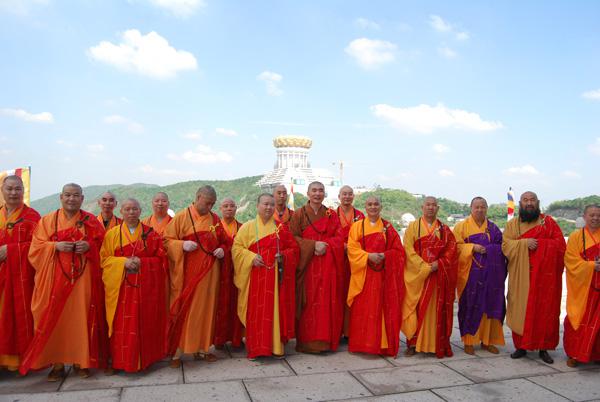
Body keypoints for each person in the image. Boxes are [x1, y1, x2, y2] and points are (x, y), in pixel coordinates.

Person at [20, 183, 108, 381]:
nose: (71, 199)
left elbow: (104, 247)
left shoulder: (91, 221)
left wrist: (89, 246)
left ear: (82, 198)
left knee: (81, 318)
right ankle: (57, 364)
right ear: (61, 197)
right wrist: (55, 246)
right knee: (54, 319)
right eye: (67, 195)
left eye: (76, 195)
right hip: (54, 278)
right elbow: (35, 248)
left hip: (82, 279)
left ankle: (81, 362)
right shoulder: (48, 220)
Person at [164, 185, 229, 367]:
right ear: (198, 197)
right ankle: (177, 353)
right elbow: (166, 241)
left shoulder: (215, 219)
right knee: (187, 310)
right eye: (208, 202)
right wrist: (181, 246)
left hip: (210, 274)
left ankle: (203, 349)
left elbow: (225, 241)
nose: (210, 207)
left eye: (213, 204)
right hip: (188, 275)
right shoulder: (181, 217)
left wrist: (222, 249)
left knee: (208, 310)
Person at [100, 198, 168, 373]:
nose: (131, 212)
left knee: (144, 323)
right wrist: (122, 262)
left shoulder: (151, 234)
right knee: (120, 325)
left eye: (135, 209)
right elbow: (104, 260)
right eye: (127, 209)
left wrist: (143, 262)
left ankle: (145, 360)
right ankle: (119, 361)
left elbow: (162, 260)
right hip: (120, 289)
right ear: (121, 211)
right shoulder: (112, 234)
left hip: (145, 289)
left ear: (140, 211)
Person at [232, 194, 300, 359]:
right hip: (255, 277)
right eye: (265, 204)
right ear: (257, 206)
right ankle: (257, 349)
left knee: (274, 310)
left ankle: (276, 347)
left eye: (271, 204)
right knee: (257, 312)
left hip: (275, 278)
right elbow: (236, 248)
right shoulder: (247, 227)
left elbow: (294, 249)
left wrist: (282, 256)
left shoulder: (281, 228)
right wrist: (250, 258)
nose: (268, 207)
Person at [502, 191, 566, 364]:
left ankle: (543, 348)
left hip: (545, 278)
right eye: (525, 200)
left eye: (532, 200)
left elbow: (560, 246)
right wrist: (524, 243)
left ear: (537, 203)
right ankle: (521, 346)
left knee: (544, 311)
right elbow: (505, 245)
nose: (529, 203)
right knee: (520, 309)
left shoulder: (548, 223)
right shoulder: (513, 225)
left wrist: (542, 246)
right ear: (520, 204)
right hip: (520, 275)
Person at [289, 181, 344, 353]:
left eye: (321, 191)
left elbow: (339, 237)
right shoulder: (298, 214)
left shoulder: (331, 214)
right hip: (308, 265)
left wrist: (325, 245)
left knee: (326, 301)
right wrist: (313, 245)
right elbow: (292, 238)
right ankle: (307, 342)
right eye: (314, 190)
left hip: (327, 265)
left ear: (324, 194)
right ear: (307, 193)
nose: (317, 194)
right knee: (308, 302)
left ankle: (325, 342)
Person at [346, 195, 405, 357]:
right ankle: (362, 345)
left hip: (382, 277)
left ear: (381, 206)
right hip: (364, 275)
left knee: (381, 310)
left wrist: (385, 256)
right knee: (363, 310)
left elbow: (399, 251)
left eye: (376, 204)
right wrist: (367, 256)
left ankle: (382, 345)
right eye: (370, 204)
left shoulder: (388, 227)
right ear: (365, 207)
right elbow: (352, 249)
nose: (373, 207)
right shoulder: (357, 226)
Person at [402, 196, 457, 358]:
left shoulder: (444, 229)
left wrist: (438, 264)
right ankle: (412, 344)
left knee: (436, 311)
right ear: (422, 207)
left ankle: (435, 344)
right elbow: (408, 250)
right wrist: (424, 267)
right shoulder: (413, 227)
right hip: (418, 276)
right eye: (428, 205)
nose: (431, 208)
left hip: (438, 275)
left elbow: (452, 250)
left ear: (438, 208)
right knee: (415, 309)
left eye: (434, 205)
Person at [453, 197, 507, 355]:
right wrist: (472, 247)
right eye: (476, 207)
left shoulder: (493, 228)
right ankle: (469, 341)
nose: (480, 210)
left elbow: (501, 247)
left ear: (487, 208)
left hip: (490, 275)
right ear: (471, 208)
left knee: (489, 306)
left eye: (483, 207)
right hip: (470, 274)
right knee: (470, 305)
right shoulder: (461, 227)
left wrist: (490, 250)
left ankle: (487, 340)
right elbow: (455, 247)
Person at [0, 175, 41, 372]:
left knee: (17, 317)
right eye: (9, 189)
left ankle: (18, 361)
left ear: (23, 190)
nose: (14, 193)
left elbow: (39, 246)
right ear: (2, 190)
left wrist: (12, 250)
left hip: (21, 278)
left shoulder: (32, 216)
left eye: (18, 189)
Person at [563, 204, 600, 367]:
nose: (595, 218)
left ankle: (596, 355)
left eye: (598, 215)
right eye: (592, 215)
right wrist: (592, 266)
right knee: (577, 319)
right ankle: (574, 354)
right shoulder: (576, 237)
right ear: (584, 217)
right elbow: (570, 262)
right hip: (583, 288)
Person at [214, 197, 244, 349]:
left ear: (236, 208)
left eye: (232, 206)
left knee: (236, 305)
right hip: (219, 272)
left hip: (237, 271)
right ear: (220, 208)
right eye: (225, 206)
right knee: (219, 306)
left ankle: (236, 338)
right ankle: (219, 339)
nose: (229, 209)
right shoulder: (215, 227)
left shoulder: (242, 227)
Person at [337, 185, 365, 341]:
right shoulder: (331, 214)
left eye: (349, 194)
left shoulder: (360, 215)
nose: (347, 197)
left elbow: (365, 238)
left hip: (355, 261)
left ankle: (351, 331)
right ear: (339, 196)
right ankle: (337, 330)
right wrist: (341, 246)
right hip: (337, 259)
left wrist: (352, 249)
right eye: (344, 194)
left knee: (354, 293)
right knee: (337, 294)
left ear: (353, 196)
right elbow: (328, 235)